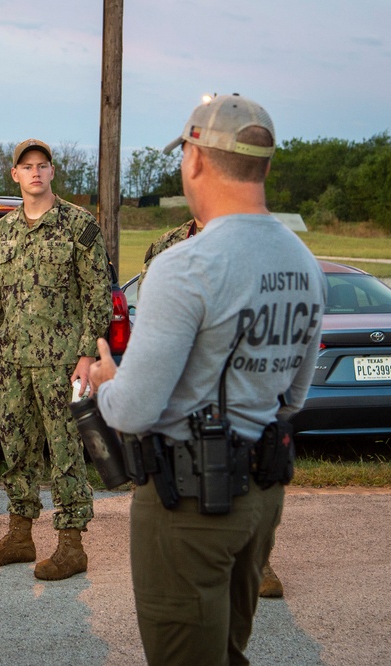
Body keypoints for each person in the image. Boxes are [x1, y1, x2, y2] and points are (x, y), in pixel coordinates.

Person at [89, 94, 324, 665]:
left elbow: (133, 411)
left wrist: (105, 379)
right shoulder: (303, 262)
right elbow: (293, 396)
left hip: (189, 505)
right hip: (261, 498)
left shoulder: (186, 264)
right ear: (264, 167)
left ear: (194, 159)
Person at [0, 139, 113, 581]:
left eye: (42, 166)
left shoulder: (78, 225)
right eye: (26, 167)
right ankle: (20, 535)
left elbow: (98, 296)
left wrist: (86, 354)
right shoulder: (5, 230)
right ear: (14, 175)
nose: (35, 172)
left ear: (52, 173)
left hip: (61, 363)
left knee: (66, 450)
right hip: (12, 361)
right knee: (16, 449)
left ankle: (71, 545)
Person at [142, 218, 285, 599]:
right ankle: (193, 560)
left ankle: (259, 560)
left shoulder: (261, 243)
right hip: (187, 382)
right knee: (189, 469)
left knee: (252, 467)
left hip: (242, 380)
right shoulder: (165, 245)